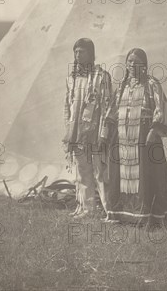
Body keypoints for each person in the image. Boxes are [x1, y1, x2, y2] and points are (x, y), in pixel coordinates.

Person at [106, 48, 167, 225]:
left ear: (144, 65)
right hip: (122, 136)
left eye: (136, 62)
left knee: (147, 175)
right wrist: (106, 133)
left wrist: (154, 131)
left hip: (144, 136)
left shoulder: (152, 84)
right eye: (129, 62)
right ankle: (121, 213)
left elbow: (161, 108)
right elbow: (112, 110)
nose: (132, 65)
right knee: (120, 174)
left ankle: (146, 215)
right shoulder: (122, 86)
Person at [63, 38, 112, 219]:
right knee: (82, 172)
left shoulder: (102, 77)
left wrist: (103, 133)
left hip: (95, 133)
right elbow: (67, 106)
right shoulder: (72, 79)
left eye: (81, 51)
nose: (77, 55)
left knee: (100, 172)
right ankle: (87, 209)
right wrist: (69, 131)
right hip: (76, 133)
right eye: (75, 51)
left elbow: (108, 106)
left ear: (91, 54)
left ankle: (110, 211)